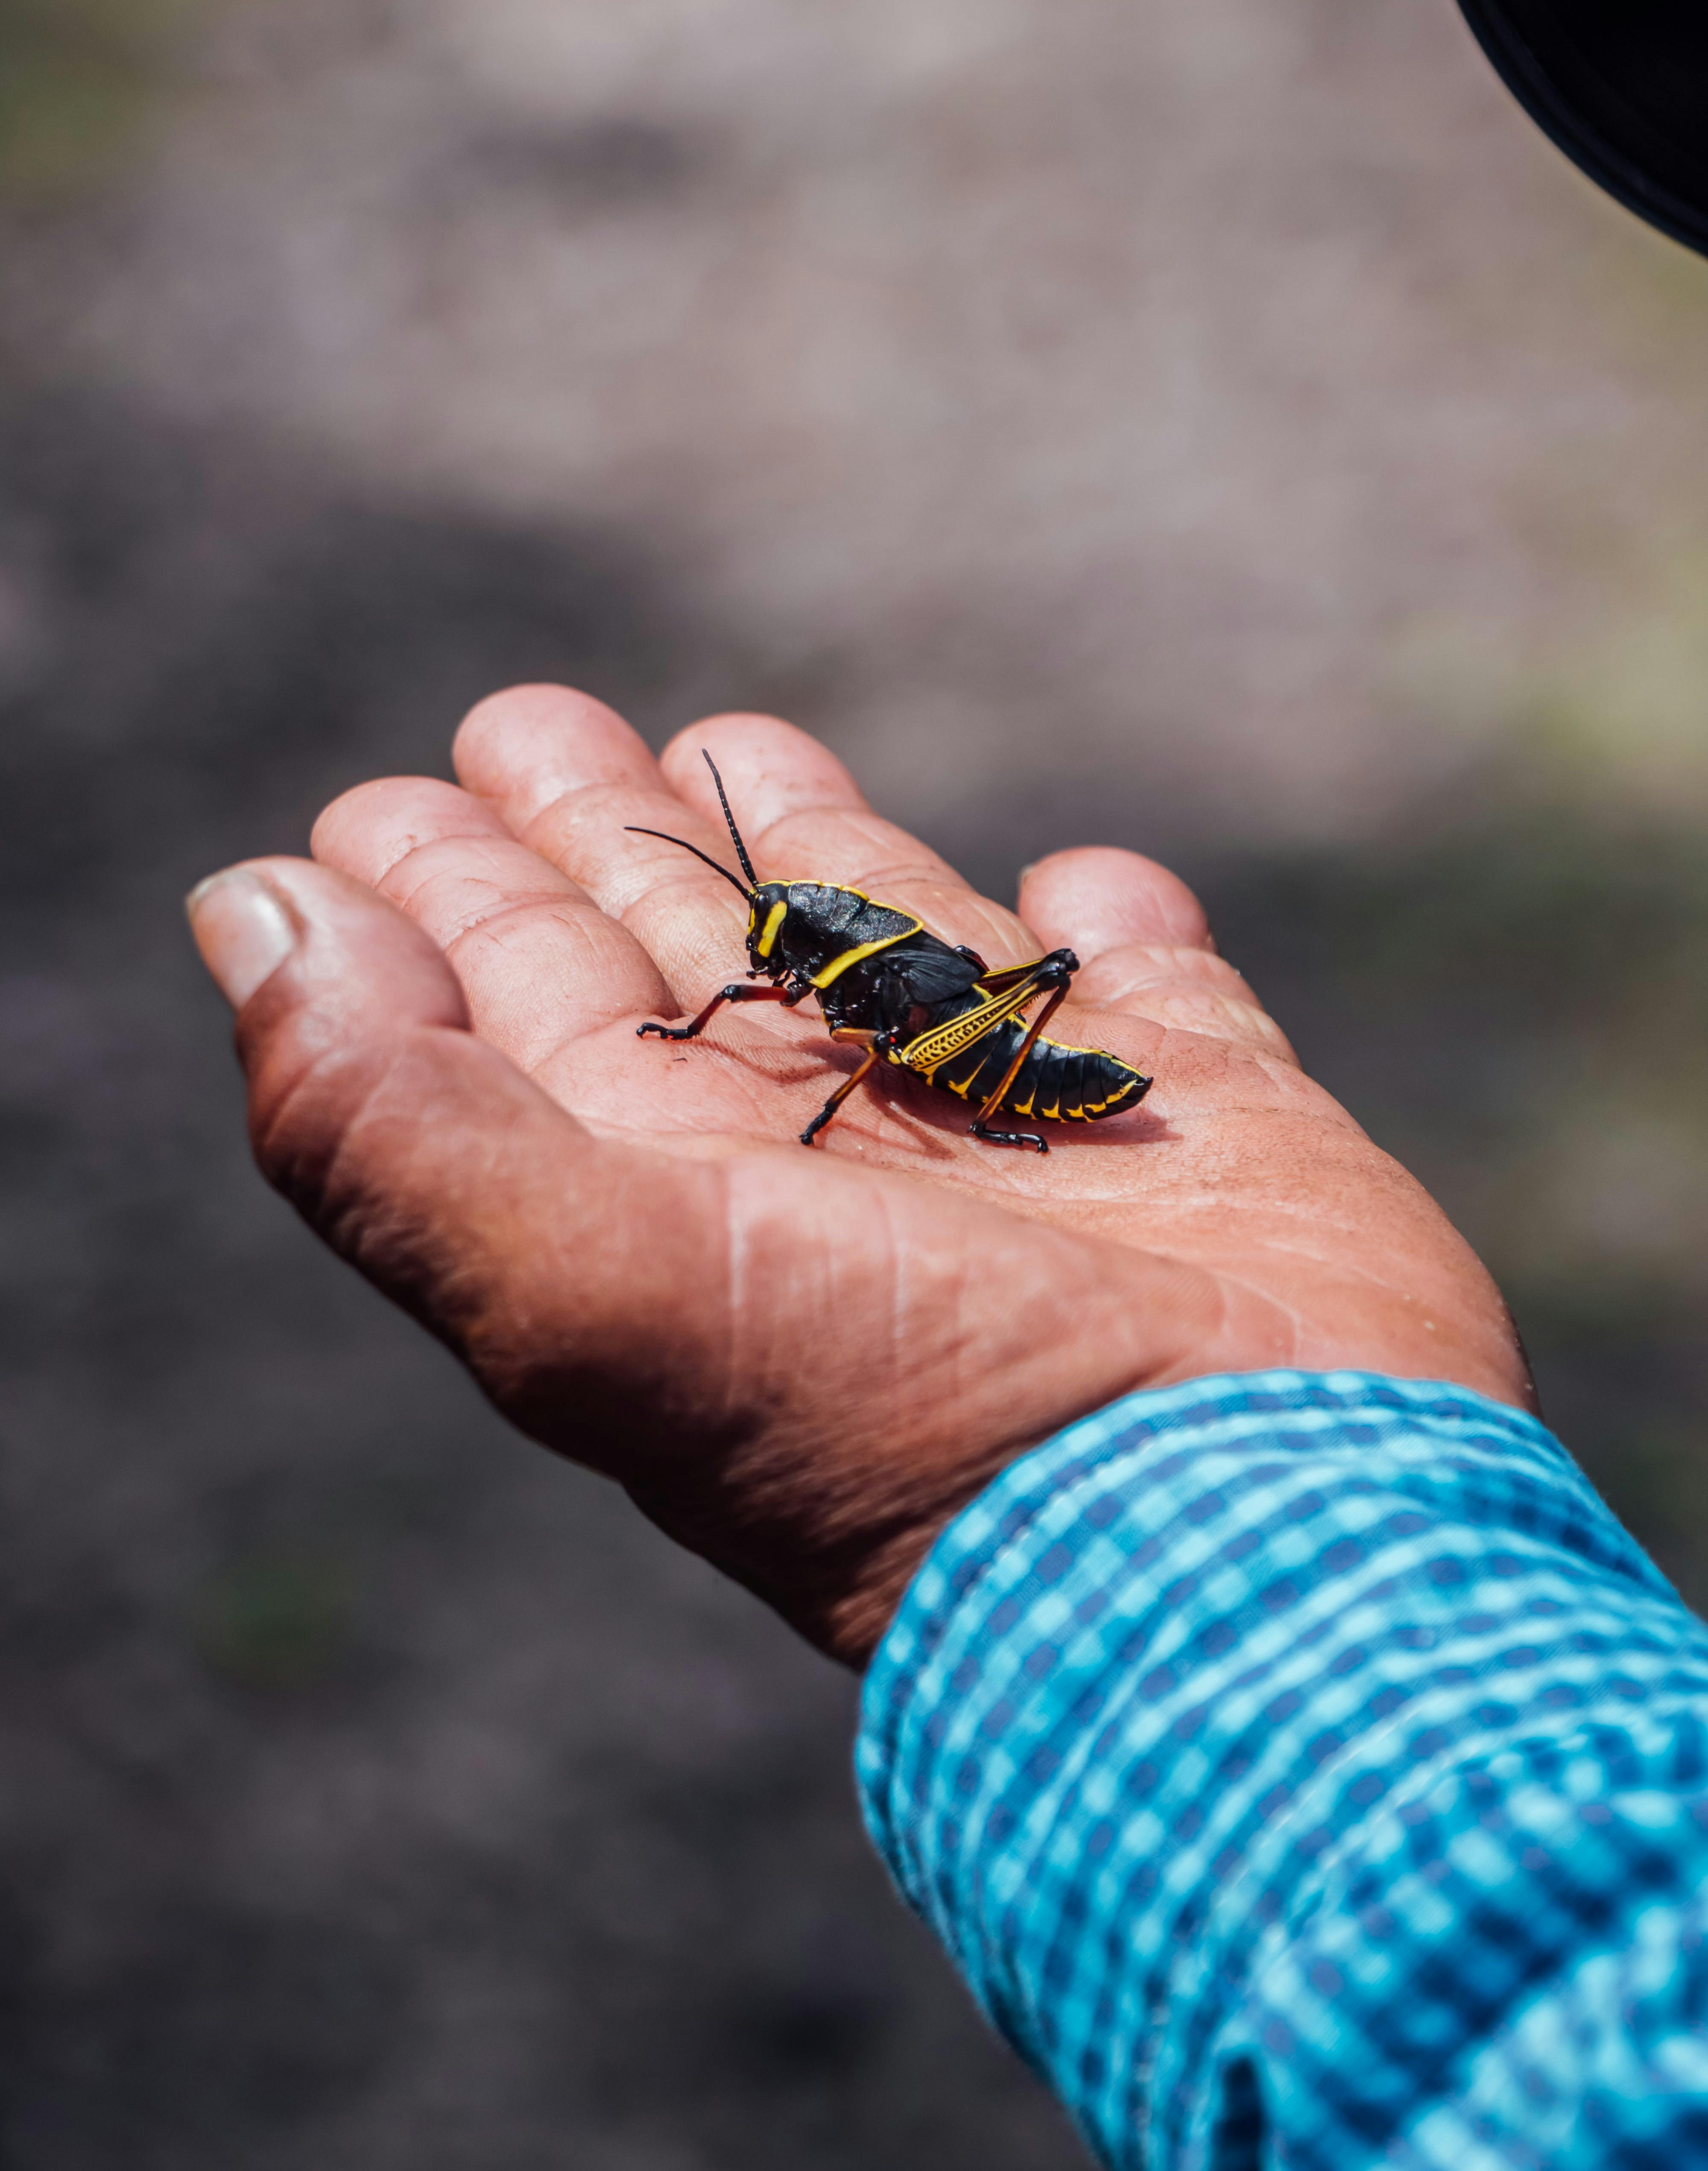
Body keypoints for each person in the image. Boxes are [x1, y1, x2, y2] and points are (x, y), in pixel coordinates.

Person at [187, 685, 1708, 2167]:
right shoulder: (822, 950)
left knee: (899, 1040)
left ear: (812, 941)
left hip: (980, 1059)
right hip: (964, 1039)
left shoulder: (839, 977)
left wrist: (869, 1091)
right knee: (899, 1021)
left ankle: (997, 1088)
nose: (762, 944)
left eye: (778, 929)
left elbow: (843, 1029)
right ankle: (990, 1081)